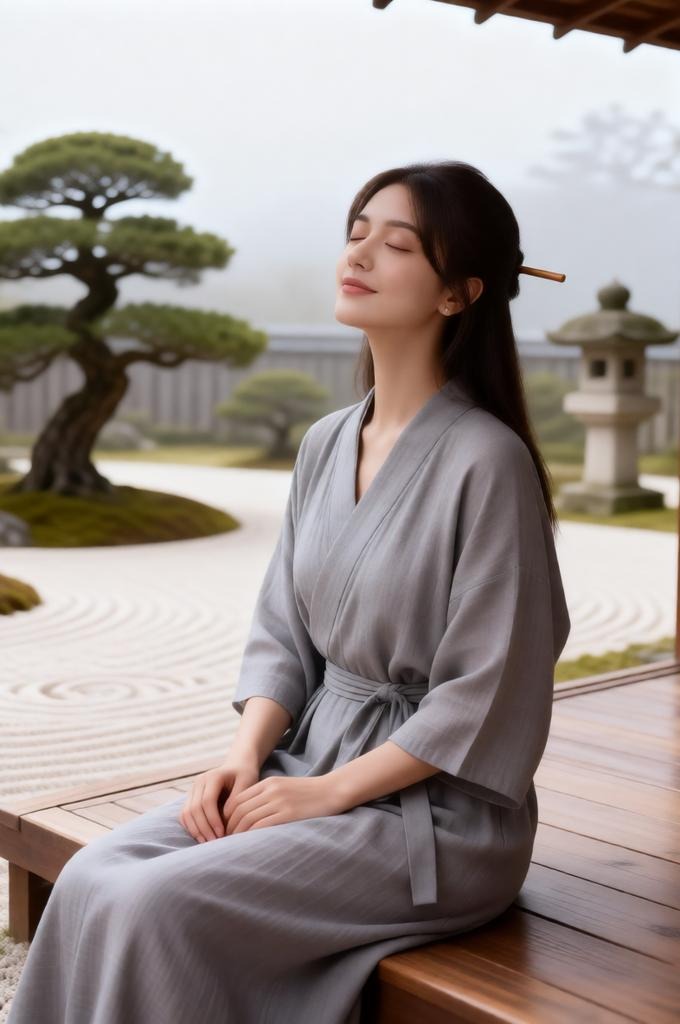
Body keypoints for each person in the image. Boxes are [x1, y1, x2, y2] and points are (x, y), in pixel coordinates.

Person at [7, 160, 571, 1024]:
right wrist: (245, 754)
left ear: (459, 293)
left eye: (397, 244)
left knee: (154, 905)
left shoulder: (487, 463)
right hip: (305, 759)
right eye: (356, 233)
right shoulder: (324, 441)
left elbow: (488, 692)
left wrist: (330, 793)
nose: (361, 254)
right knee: (91, 876)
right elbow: (282, 633)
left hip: (433, 819)